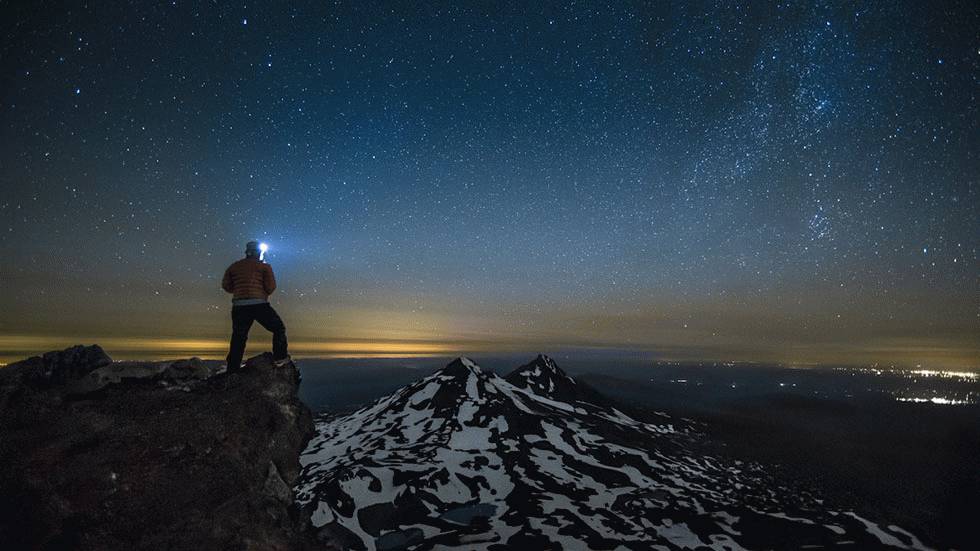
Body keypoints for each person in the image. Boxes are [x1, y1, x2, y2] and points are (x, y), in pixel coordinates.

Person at [221, 241, 290, 371]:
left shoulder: (234, 267)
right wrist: (259, 292)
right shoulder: (264, 267)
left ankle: (233, 367)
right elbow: (271, 287)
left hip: (239, 306)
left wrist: (239, 291)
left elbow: (226, 286)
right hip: (259, 305)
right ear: (259, 252)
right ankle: (280, 358)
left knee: (238, 336)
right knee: (278, 328)